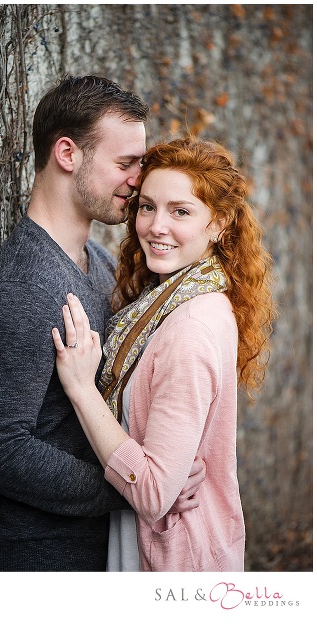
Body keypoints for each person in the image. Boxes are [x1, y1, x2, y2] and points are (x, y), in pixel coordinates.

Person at [52, 137, 275, 571]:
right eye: (148, 206)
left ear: (220, 223)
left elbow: (154, 493)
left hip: (178, 562)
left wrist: (81, 388)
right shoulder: (170, 302)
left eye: (181, 211)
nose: (156, 226)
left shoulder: (190, 328)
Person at [0, 75, 149, 571]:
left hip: (94, 548)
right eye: (125, 164)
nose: (138, 179)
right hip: (37, 561)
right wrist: (131, 487)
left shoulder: (101, 263)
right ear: (67, 154)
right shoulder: (27, 286)